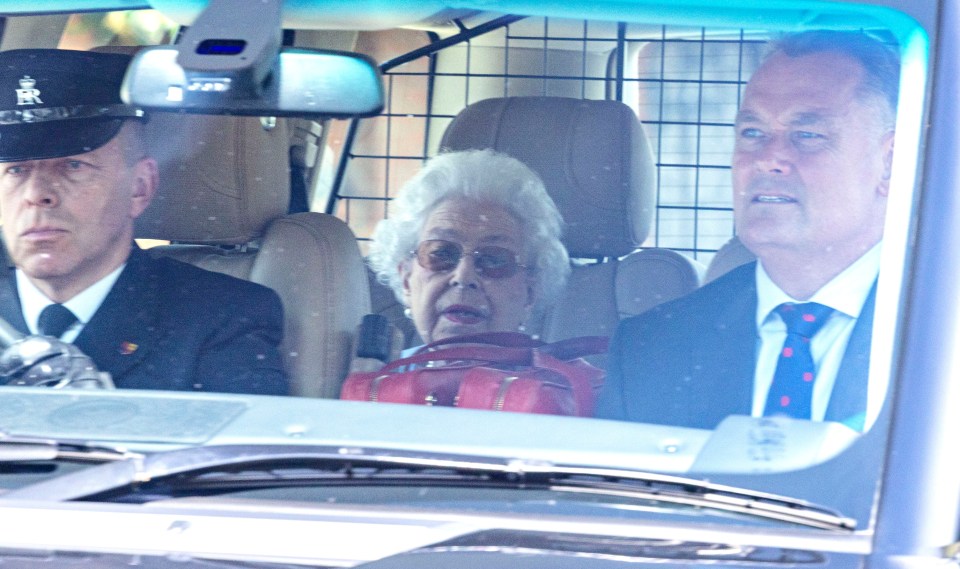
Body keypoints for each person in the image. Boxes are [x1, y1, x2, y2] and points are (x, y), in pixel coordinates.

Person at [595, 30, 899, 432]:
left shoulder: (941, 334)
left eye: (807, 135)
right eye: (752, 133)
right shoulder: (651, 349)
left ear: (890, 163)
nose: (767, 159)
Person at [0, 49, 288, 395]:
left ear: (140, 187)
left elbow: (246, 449)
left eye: (73, 166)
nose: (37, 194)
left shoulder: (219, 318)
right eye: (16, 169)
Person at [368, 149, 570, 346]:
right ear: (406, 280)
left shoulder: (563, 379)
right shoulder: (370, 377)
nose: (463, 277)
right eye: (441, 254)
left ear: (530, 293)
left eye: (494, 260)